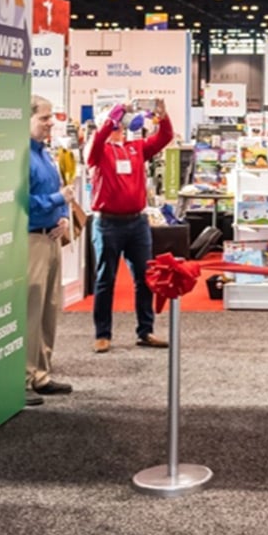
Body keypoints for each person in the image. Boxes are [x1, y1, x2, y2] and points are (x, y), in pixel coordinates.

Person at [86, 98, 173, 353]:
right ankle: (102, 334)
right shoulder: (98, 149)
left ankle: (145, 331)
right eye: (115, 124)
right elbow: (93, 150)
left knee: (145, 279)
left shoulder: (136, 148)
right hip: (107, 223)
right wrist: (110, 119)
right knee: (105, 279)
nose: (119, 128)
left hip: (137, 222)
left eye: (120, 124)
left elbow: (164, 137)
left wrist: (162, 116)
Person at [26, 96, 76, 404]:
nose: (50, 123)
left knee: (48, 309)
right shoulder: (22, 157)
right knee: (30, 309)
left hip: (51, 236)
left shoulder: (45, 154)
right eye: (44, 118)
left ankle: (41, 374)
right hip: (30, 239)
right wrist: (59, 200)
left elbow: (56, 195)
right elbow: (21, 202)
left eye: (50, 118)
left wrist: (63, 217)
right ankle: (23, 377)